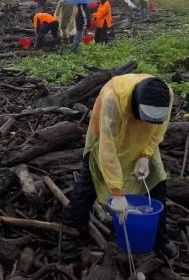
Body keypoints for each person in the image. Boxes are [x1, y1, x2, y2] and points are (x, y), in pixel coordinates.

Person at [62, 74, 177, 258]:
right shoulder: (112, 100)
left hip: (143, 139)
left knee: (157, 181)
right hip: (107, 135)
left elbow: (159, 130)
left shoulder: (166, 95)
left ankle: (160, 238)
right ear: (136, 105)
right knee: (93, 175)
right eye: (145, 117)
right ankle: (73, 226)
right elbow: (107, 150)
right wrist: (117, 192)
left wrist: (145, 156)